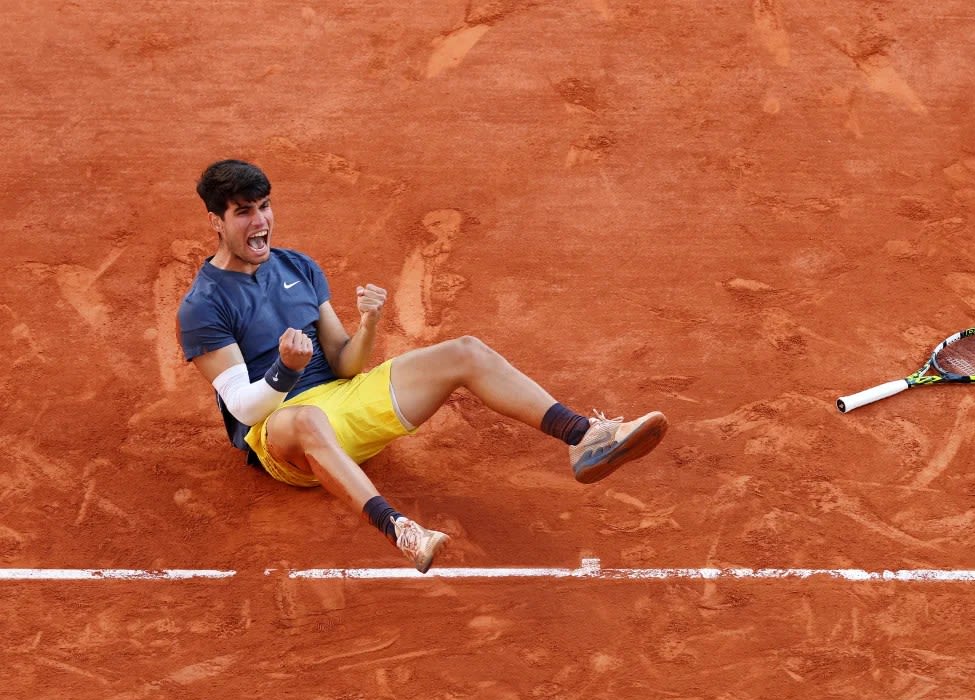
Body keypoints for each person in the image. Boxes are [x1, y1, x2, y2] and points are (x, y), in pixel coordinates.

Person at [177, 159, 668, 573]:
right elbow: (244, 410)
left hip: (343, 405)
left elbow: (347, 366)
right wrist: (284, 370)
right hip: (283, 436)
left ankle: (583, 436)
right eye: (243, 212)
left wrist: (368, 324)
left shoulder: (297, 267)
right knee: (306, 418)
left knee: (466, 351)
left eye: (264, 207)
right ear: (216, 222)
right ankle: (401, 530)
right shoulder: (203, 307)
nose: (259, 222)